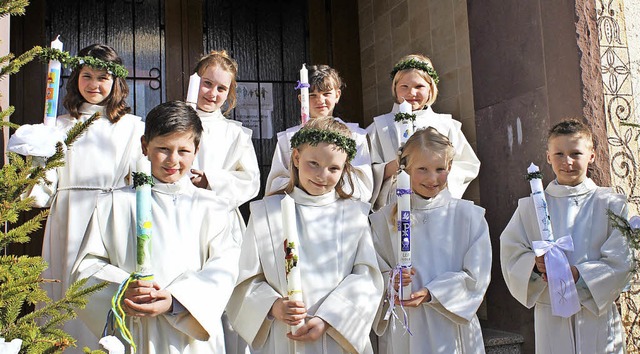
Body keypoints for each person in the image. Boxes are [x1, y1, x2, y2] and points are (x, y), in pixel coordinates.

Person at [72, 101, 241, 353]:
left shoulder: (213, 207)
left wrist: (176, 300)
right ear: (144, 146)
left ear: (197, 149)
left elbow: (225, 268)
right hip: (134, 329)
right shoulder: (113, 204)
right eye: (163, 148)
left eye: (183, 151)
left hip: (188, 337)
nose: (173, 160)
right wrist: (123, 287)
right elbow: (85, 271)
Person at [9, 43, 145, 349]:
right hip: (68, 220)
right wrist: (37, 157)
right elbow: (40, 193)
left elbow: (141, 182)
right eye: (87, 75)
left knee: (103, 295)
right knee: (66, 299)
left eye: (103, 77)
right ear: (75, 79)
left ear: (116, 82)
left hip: (112, 219)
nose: (95, 84)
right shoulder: (57, 127)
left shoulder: (133, 128)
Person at [226, 117, 383, 353]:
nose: (322, 175)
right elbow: (246, 279)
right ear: (297, 158)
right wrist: (273, 306)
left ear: (345, 167)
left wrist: (329, 318)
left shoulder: (355, 215)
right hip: (282, 335)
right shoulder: (266, 214)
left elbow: (367, 278)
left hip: (335, 337)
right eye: (314, 163)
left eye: (334, 168)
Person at [500, 119, 633, 353]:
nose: (567, 162)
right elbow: (512, 252)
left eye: (575, 153)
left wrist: (579, 275)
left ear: (591, 155)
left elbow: (622, 260)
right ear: (548, 157)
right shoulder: (529, 208)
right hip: (551, 311)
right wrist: (534, 264)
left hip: (595, 312)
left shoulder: (611, 204)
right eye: (559, 154)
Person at [370, 127, 491, 353]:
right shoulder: (383, 220)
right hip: (406, 327)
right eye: (422, 169)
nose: (432, 178)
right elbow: (373, 272)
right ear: (405, 169)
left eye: (439, 169)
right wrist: (391, 282)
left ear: (450, 167)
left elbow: (477, 276)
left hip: (452, 325)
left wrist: (433, 293)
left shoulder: (468, 217)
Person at [189, 50, 260, 354]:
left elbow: (251, 181)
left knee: (227, 300)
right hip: (181, 219)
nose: (212, 93)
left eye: (221, 88)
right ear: (195, 81)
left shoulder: (236, 134)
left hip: (221, 222)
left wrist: (212, 180)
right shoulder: (175, 120)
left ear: (229, 94)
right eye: (207, 84)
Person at [367, 54, 480, 211]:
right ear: (395, 89)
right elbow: (364, 171)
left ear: (430, 89)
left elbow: (467, 164)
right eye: (404, 87)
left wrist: (438, 177)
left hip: (437, 204)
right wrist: (393, 167)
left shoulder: (446, 125)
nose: (411, 93)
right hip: (395, 206)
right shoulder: (380, 127)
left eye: (419, 87)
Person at [265, 64, 373, 202]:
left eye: (326, 94)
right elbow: (276, 183)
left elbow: (362, 183)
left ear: (337, 95)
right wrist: (304, 182)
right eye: (312, 95)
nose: (320, 100)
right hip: (298, 208)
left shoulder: (356, 136)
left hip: (341, 209)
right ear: (302, 99)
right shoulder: (288, 138)